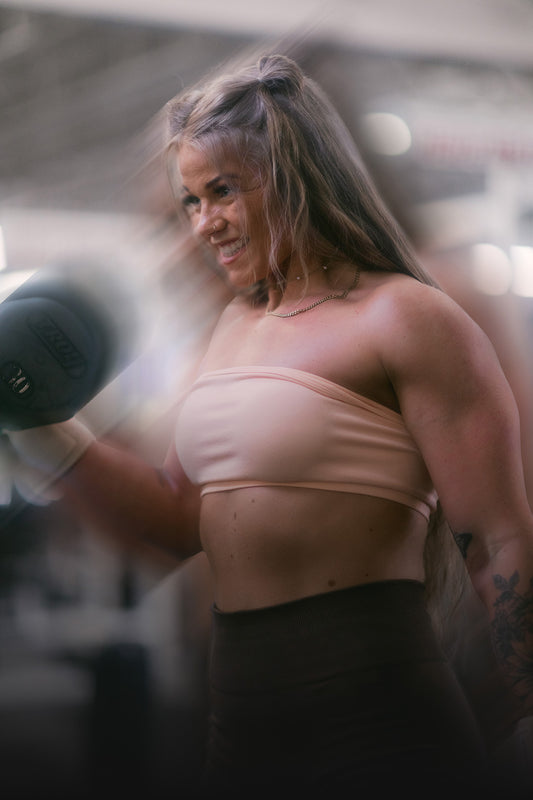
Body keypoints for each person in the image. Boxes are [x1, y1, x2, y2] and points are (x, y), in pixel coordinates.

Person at [3, 52, 533, 797]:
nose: (201, 226)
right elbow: (177, 521)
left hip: (377, 720)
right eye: (190, 201)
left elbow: (500, 533)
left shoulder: (407, 316)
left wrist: (510, 703)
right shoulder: (234, 326)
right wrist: (33, 423)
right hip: (239, 726)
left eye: (221, 192)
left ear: (292, 176)